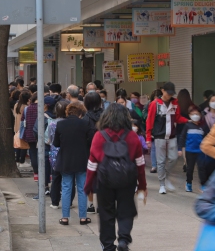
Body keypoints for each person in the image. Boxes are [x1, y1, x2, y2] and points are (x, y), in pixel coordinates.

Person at [86, 104, 147, 251]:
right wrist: (142, 186)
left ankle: (108, 246)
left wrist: (88, 186)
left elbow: (92, 164)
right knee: (126, 210)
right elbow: (140, 163)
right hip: (127, 180)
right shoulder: (132, 136)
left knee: (106, 213)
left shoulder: (99, 136)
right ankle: (123, 240)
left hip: (104, 181)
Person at [146, 82, 189, 194]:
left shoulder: (175, 102)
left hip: (172, 136)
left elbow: (178, 118)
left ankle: (166, 175)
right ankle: (162, 184)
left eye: (171, 93)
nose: (170, 95)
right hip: (159, 136)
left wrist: (188, 121)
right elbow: (149, 121)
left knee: (174, 158)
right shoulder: (155, 104)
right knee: (160, 161)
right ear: (163, 91)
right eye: (168, 93)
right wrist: (148, 138)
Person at [53, 102, 91, 225]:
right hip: (82, 160)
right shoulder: (85, 124)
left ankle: (65, 218)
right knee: (82, 188)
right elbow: (90, 142)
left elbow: (56, 143)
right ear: (81, 113)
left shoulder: (60, 124)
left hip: (66, 160)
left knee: (66, 188)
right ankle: (83, 218)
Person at [46, 100, 76, 209]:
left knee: (56, 177)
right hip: (69, 153)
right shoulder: (71, 123)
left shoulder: (52, 123)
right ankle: (69, 202)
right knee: (70, 178)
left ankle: (55, 202)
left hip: (54, 153)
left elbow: (49, 139)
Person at [179, 105, 211, 192]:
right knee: (190, 168)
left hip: (200, 151)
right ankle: (188, 183)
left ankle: (203, 185)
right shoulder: (187, 126)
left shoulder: (203, 126)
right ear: (189, 115)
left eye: (197, 114)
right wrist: (180, 149)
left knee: (201, 168)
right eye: (193, 114)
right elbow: (182, 137)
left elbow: (207, 138)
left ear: (200, 115)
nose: (195, 116)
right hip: (189, 151)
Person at [83, 91, 102, 214]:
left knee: (89, 176)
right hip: (105, 151)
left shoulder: (85, 118)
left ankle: (90, 204)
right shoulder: (106, 116)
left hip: (88, 151)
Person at [22, 93, 40, 181]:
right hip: (41, 134)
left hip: (30, 133)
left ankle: (36, 173)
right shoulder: (42, 108)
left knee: (33, 153)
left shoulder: (26, 109)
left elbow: (23, 120)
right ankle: (43, 172)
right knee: (42, 153)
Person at [144, 89, 163, 173]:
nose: (156, 99)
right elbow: (145, 116)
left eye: (158, 97)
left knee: (161, 149)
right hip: (153, 129)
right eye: (155, 97)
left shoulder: (163, 105)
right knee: (154, 148)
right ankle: (154, 166)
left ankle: (160, 165)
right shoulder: (149, 104)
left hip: (161, 129)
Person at [14, 91, 31, 164]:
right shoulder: (26, 107)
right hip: (24, 127)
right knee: (24, 144)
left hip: (17, 126)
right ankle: (22, 160)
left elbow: (14, 114)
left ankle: (17, 158)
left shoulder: (17, 105)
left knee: (18, 144)